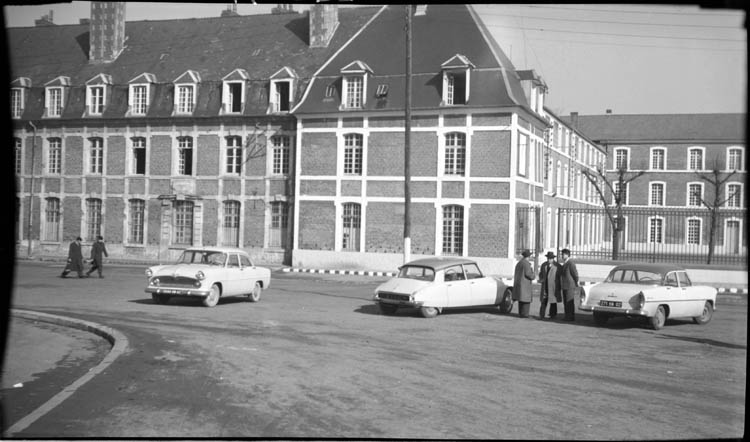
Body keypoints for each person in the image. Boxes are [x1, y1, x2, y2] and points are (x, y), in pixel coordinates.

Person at [538, 251, 562, 320]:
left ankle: (553, 315)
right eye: (548, 258)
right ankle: (541, 315)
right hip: (545, 286)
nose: (549, 260)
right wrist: (541, 278)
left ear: (553, 259)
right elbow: (541, 274)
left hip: (553, 286)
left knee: (553, 301)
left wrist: (558, 285)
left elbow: (560, 276)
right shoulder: (544, 265)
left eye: (550, 258)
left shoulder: (557, 266)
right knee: (543, 301)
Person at [512, 249, 535, 318]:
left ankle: (521, 313)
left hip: (519, 284)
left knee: (521, 301)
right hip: (525, 285)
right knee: (526, 301)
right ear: (528, 256)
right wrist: (533, 275)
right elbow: (528, 274)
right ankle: (525, 314)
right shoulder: (526, 264)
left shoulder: (519, 263)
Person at [559, 248, 579, 321]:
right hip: (565, 285)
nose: (562, 256)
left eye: (563, 254)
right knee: (566, 301)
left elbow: (575, 274)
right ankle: (567, 316)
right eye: (562, 254)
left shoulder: (570, 263)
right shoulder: (565, 263)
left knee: (569, 301)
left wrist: (575, 282)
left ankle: (570, 316)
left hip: (570, 285)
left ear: (567, 255)